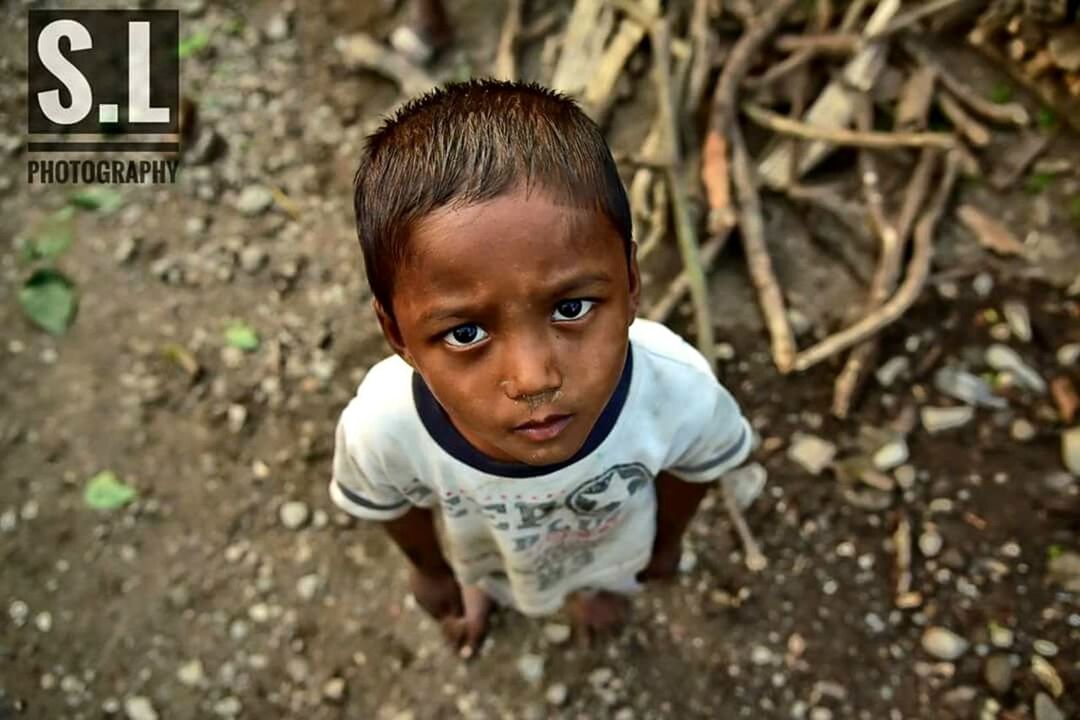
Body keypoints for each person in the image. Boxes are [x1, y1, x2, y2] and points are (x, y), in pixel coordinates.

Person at [330, 79, 753, 656]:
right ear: (397, 334)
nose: (534, 379)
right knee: (483, 568)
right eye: (465, 333)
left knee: (604, 582)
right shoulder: (385, 427)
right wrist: (432, 571)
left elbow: (697, 467)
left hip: (612, 547)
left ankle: (596, 591)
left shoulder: (678, 390)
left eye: (571, 308)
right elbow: (390, 502)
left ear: (631, 282)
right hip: (482, 550)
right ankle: (482, 586)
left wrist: (665, 543)